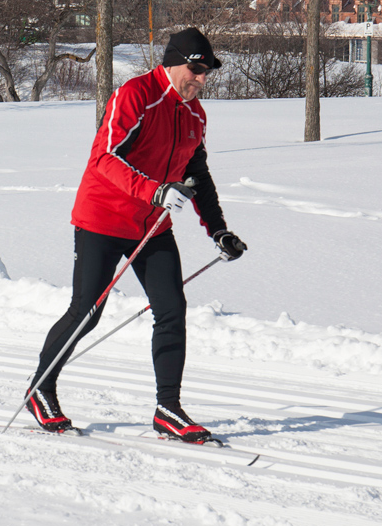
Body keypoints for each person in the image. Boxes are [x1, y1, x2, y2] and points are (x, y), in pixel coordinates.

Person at [28, 27, 247, 444]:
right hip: (103, 218)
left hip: (151, 226)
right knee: (86, 312)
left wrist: (218, 230)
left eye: (207, 73)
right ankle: (42, 388)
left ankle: (168, 408)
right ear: (172, 62)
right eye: (195, 71)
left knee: (171, 310)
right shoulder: (136, 95)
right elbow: (104, 158)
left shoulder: (195, 113)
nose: (201, 80)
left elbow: (197, 175)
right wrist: (155, 190)